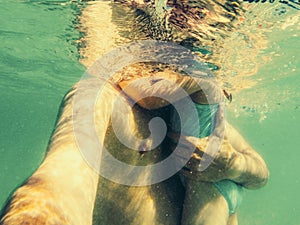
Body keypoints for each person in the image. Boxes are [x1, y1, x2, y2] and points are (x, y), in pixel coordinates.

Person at [118, 68, 269, 225]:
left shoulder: (202, 83)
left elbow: (150, 100)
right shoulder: (213, 113)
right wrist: (236, 167)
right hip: (222, 187)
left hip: (207, 187)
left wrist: (121, 78)